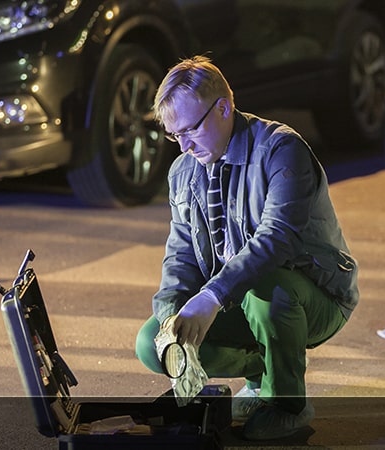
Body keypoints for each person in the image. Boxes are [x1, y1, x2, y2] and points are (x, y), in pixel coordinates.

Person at [134, 56, 359, 441]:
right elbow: (181, 255)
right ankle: (260, 377)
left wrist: (211, 297)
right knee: (150, 344)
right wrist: (172, 321)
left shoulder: (281, 149)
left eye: (190, 130)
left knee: (266, 286)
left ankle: (288, 405)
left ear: (223, 107)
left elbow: (278, 237)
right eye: (174, 135)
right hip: (239, 299)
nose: (184, 146)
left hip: (315, 297)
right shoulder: (183, 171)